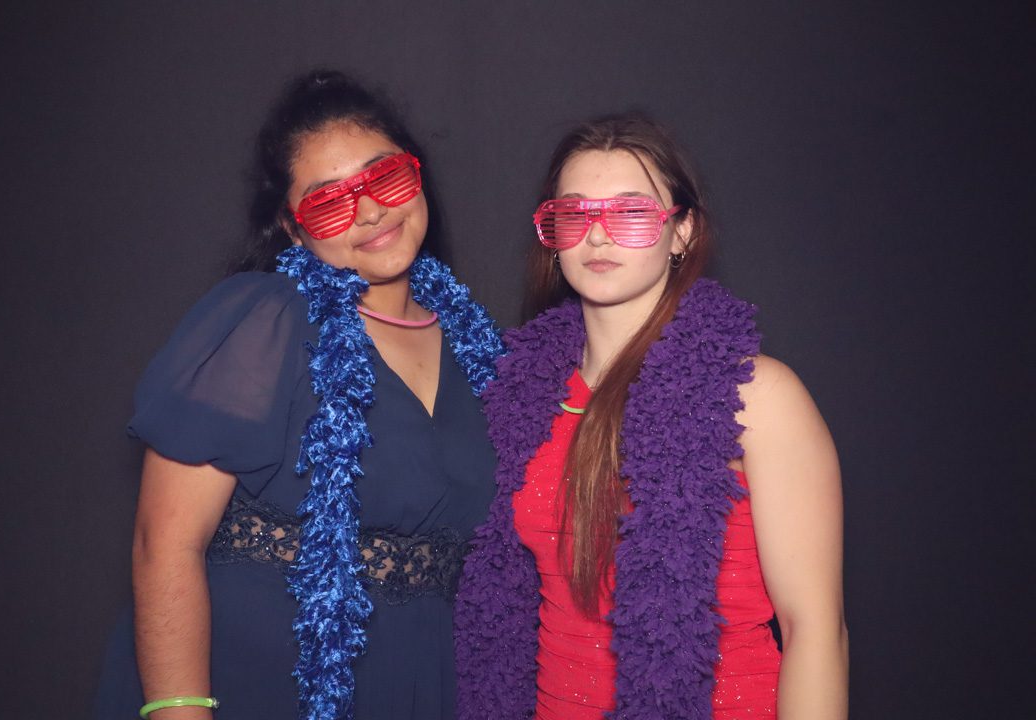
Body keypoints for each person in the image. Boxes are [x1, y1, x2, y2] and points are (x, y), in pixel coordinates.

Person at [95, 70, 503, 720]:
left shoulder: (481, 351)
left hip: (417, 686)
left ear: (415, 173)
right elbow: (163, 543)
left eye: (384, 176)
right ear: (293, 228)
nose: (370, 211)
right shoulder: (263, 321)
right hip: (253, 683)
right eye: (329, 202)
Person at [455, 114, 848, 720]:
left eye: (631, 213)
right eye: (574, 213)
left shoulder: (756, 395)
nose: (598, 236)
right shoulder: (520, 399)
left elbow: (815, 631)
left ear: (681, 231)